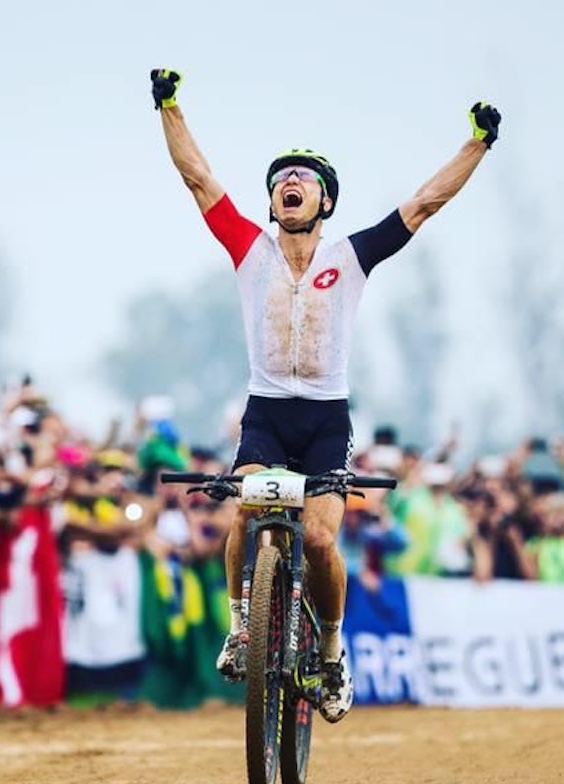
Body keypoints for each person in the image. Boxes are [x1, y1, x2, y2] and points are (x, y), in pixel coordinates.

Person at [150, 68, 500, 722]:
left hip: (326, 422)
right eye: (281, 177)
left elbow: (423, 205)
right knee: (247, 508)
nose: (290, 182)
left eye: (305, 178)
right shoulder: (248, 249)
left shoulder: (354, 255)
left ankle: (333, 654)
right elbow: (198, 177)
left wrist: (477, 145)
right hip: (266, 415)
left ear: (326, 201)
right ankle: (242, 627)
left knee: (317, 541)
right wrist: (169, 105)